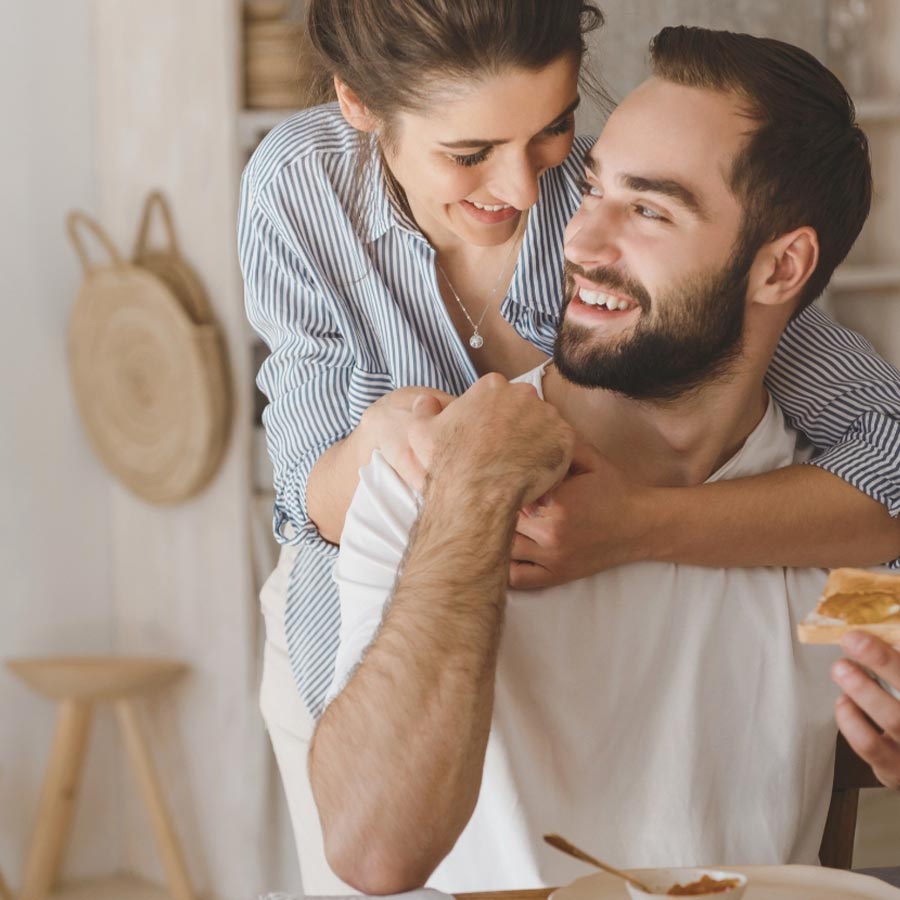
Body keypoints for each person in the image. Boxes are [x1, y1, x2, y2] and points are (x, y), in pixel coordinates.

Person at [237, 0, 900, 887]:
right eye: (468, 154)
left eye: (556, 140)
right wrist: (446, 476)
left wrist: (632, 525)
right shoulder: (302, 191)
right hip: (395, 566)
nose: (533, 203)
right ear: (362, 106)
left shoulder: (819, 551)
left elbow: (866, 467)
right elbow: (378, 839)